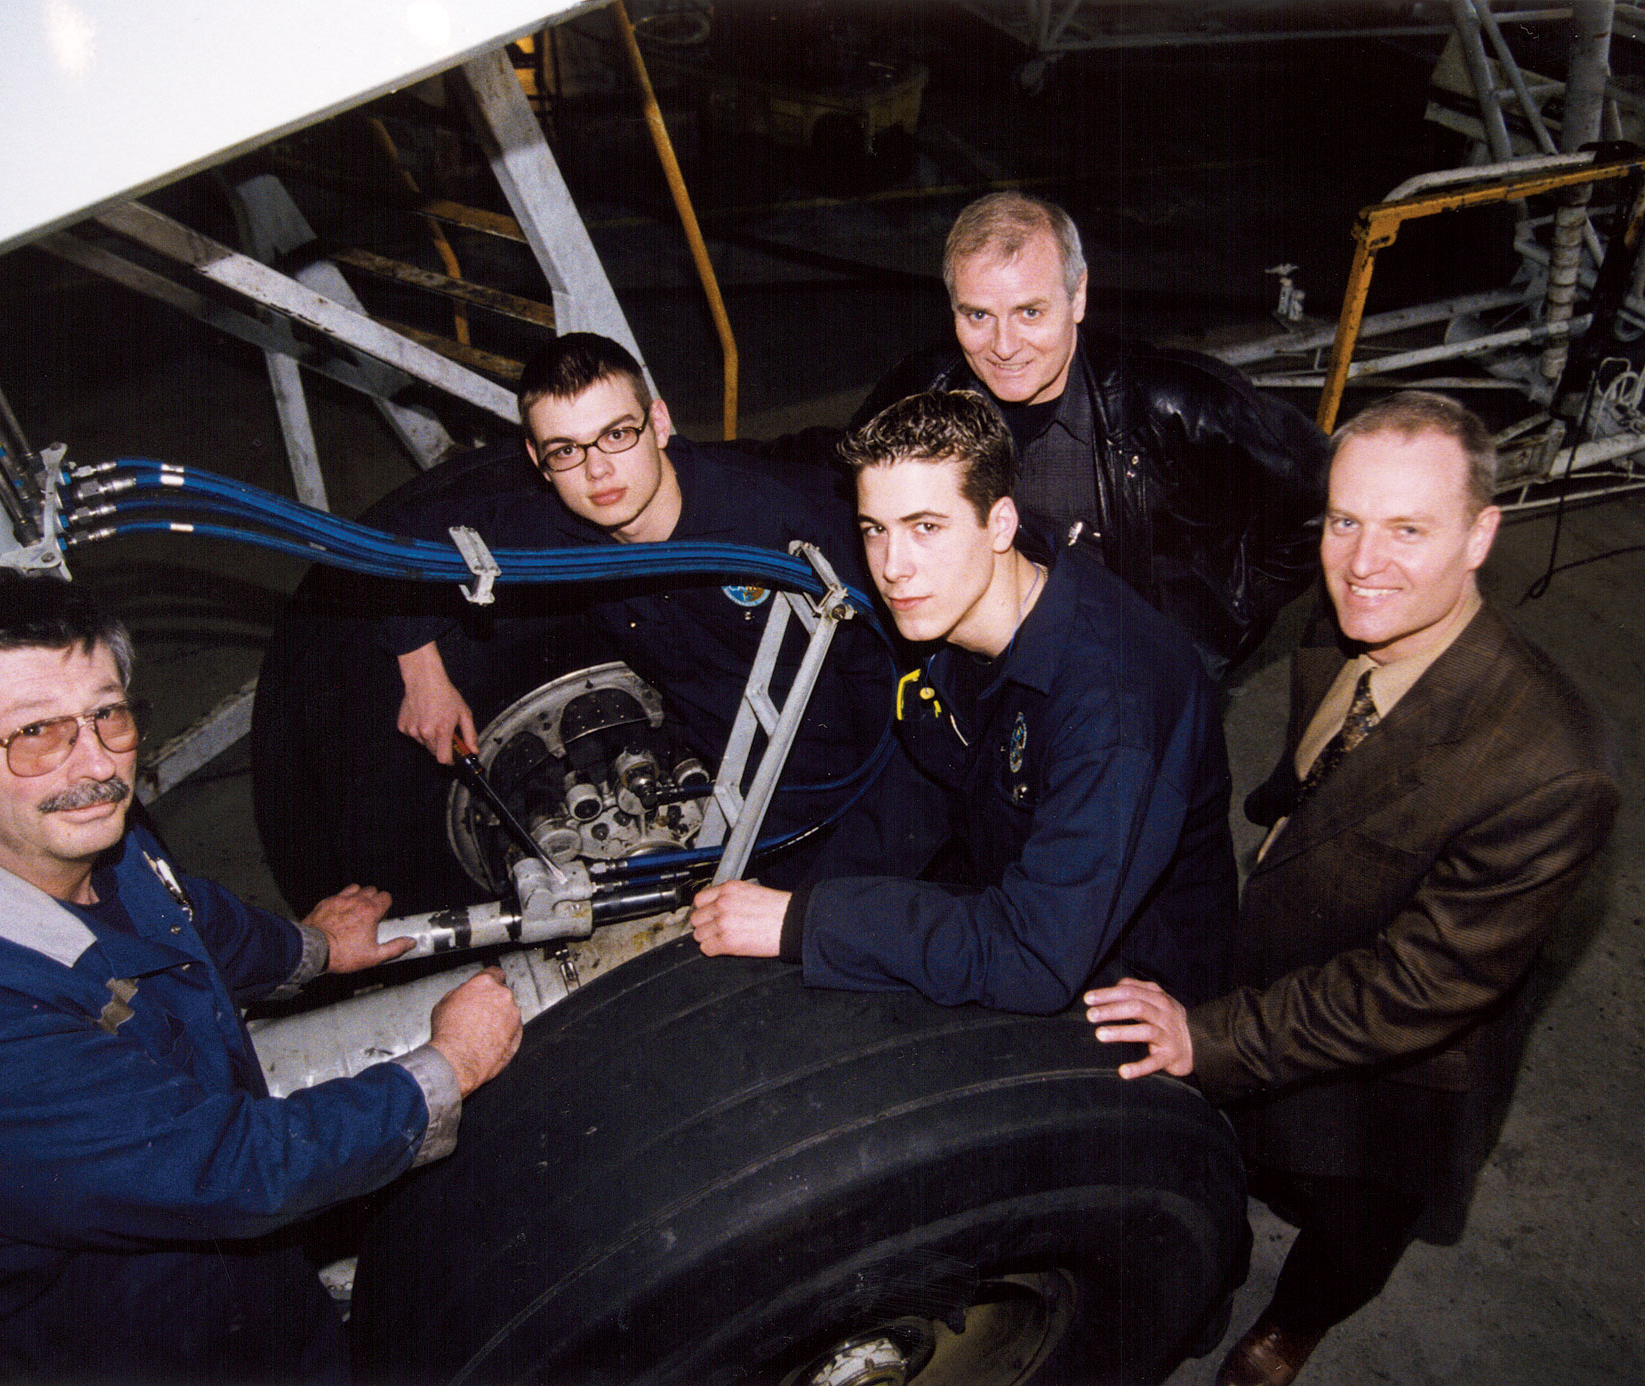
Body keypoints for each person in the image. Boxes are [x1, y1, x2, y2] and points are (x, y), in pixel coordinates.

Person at [0, 568, 522, 1382]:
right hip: (103, 1339)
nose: (95, 765)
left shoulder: (23, 825)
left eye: (108, 713)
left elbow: (168, 906)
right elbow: (238, 1169)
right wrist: (446, 1069)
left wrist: (307, 950)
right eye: (35, 732)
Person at [1084, 392, 1620, 1386]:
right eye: (1343, 521)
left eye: (1406, 529)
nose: (1360, 564)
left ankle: (1286, 1334)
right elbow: (1316, 781)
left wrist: (1207, 1038)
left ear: (1479, 536)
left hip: (1395, 1071)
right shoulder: (1341, 632)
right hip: (1283, 975)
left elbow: (1412, 991)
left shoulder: (1551, 765)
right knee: (1256, 1159)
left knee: (1350, 1223)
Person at [254, 332, 890, 907]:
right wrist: (421, 668)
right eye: (567, 449)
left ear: (659, 422)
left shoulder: (777, 519)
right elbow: (394, 535)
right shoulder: (562, 524)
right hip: (721, 778)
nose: (598, 470)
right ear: (536, 459)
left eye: (618, 434)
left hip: (841, 789)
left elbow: (894, 667)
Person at [691, 390, 1236, 1014]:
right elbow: (916, 791)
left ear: (999, 523)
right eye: (876, 530)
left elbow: (1033, 960)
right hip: (1008, 914)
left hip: (1124, 991)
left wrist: (804, 924)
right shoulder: (959, 617)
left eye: (927, 527)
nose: (894, 567)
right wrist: (791, 901)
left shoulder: (1113, 702)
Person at [855, 191, 1329, 675]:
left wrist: (1220, 621)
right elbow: (840, 471)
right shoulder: (924, 390)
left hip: (1132, 679)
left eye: (1030, 312)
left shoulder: (1174, 401)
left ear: (1077, 295)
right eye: (978, 315)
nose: (1002, 346)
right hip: (986, 677)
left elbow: (1315, 491)